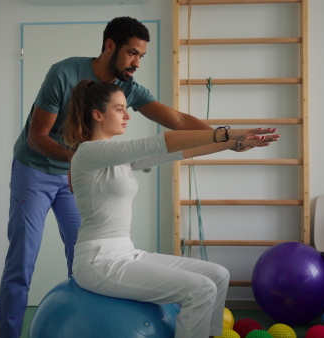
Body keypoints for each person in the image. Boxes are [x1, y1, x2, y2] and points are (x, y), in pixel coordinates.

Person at [0, 16, 229, 337]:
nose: (137, 62)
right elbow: (38, 135)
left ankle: (82, 327)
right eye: (132, 53)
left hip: (77, 171)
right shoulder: (63, 74)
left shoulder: (127, 87)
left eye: (141, 56)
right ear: (109, 46)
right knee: (21, 264)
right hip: (34, 169)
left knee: (81, 257)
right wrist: (81, 161)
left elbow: (175, 118)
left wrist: (224, 137)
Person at [65, 79, 280, 338]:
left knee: (218, 275)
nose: (127, 116)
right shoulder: (89, 153)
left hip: (125, 252)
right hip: (98, 261)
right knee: (200, 289)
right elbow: (163, 142)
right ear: (98, 115)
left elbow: (180, 152)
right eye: (120, 109)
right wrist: (228, 133)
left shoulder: (115, 156)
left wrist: (235, 144)